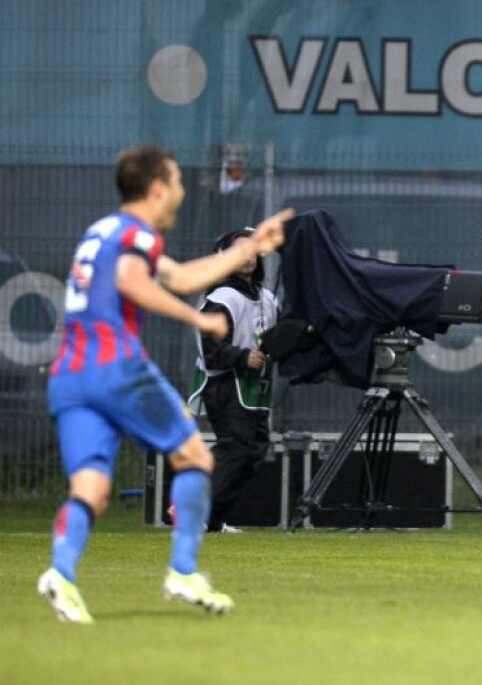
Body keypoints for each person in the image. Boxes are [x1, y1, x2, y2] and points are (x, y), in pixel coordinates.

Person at [38, 144, 292, 623]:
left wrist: (248, 248)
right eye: (176, 182)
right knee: (196, 456)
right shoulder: (136, 232)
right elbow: (138, 283)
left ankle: (62, 575)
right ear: (157, 188)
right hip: (116, 368)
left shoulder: (103, 231)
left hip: (70, 376)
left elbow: (180, 274)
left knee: (90, 488)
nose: (180, 191)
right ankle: (183, 570)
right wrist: (202, 322)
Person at [187, 227, 279, 533]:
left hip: (254, 388)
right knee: (236, 447)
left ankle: (212, 520)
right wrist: (242, 357)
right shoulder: (222, 298)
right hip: (224, 384)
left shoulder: (267, 297)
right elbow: (211, 350)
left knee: (254, 453)